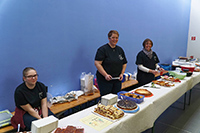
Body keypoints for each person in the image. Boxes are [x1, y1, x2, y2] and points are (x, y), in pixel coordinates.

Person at [11, 67, 55, 131]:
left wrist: (46, 118)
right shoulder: (19, 91)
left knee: (52, 121)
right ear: (24, 78)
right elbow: (29, 110)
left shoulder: (41, 86)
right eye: (30, 76)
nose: (33, 78)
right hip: (26, 112)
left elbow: (44, 104)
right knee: (38, 126)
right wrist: (41, 120)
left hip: (39, 108)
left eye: (35, 75)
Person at [95, 30, 127, 96]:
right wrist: (105, 75)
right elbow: (97, 63)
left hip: (117, 80)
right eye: (113, 37)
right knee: (106, 100)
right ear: (109, 38)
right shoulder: (102, 50)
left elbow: (124, 63)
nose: (115, 39)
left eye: (116, 38)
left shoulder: (120, 50)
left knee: (116, 98)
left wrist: (122, 73)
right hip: (105, 81)